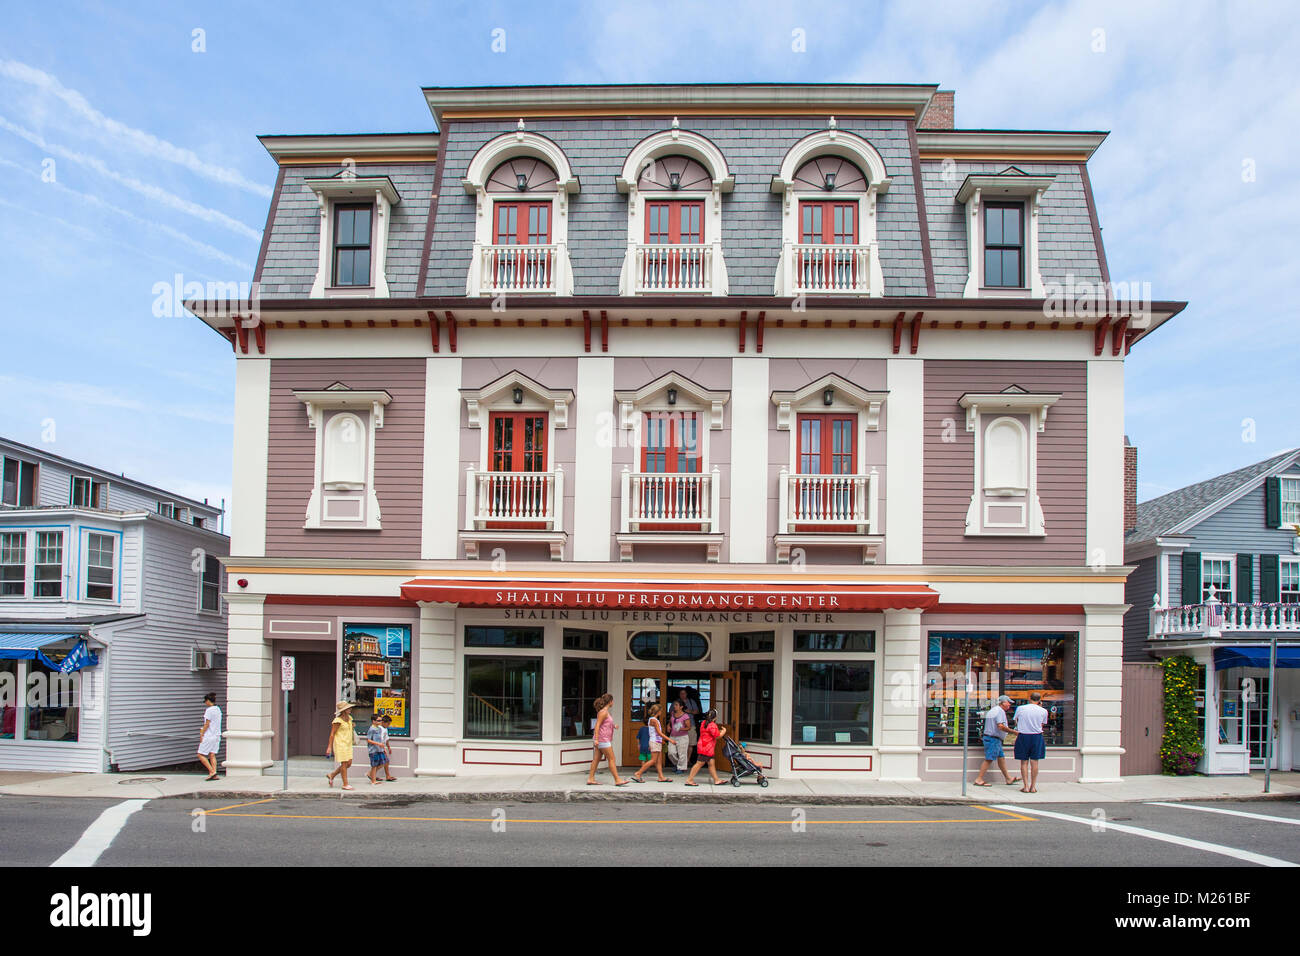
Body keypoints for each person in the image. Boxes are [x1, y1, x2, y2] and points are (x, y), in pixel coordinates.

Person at [973, 695, 1020, 787]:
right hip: (993, 739)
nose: (1009, 704)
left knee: (1001, 758)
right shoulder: (999, 711)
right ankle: (979, 779)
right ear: (1002, 702)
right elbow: (1000, 726)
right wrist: (1014, 732)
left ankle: (1008, 778)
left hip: (994, 739)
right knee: (989, 759)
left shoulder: (994, 710)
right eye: (1008, 702)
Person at [586, 693, 629, 786]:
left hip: (602, 739)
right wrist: (596, 739)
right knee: (612, 759)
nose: (613, 702)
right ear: (610, 702)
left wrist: (614, 726)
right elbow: (597, 725)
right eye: (612, 701)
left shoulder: (605, 712)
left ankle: (591, 778)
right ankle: (617, 780)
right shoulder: (603, 712)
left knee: (596, 759)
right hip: (603, 740)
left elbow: (605, 724)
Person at [1012, 692, 1050, 793]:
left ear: (1029, 698)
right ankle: (1033, 786)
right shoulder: (1043, 711)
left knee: (1024, 762)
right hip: (1036, 736)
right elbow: (1042, 723)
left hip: (1023, 735)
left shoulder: (1021, 708)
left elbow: (1016, 720)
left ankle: (1026, 786)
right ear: (1039, 700)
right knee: (1035, 762)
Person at [632, 704, 674, 783]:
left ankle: (661, 776)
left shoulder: (654, 720)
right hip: (655, 742)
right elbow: (659, 732)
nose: (661, 712)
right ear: (658, 712)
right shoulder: (654, 720)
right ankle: (638, 773)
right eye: (661, 711)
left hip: (657, 742)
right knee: (653, 760)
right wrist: (669, 740)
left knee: (658, 761)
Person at [684, 708, 726, 786]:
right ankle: (689, 779)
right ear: (715, 717)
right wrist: (723, 732)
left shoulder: (703, 723)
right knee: (699, 763)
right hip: (707, 747)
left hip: (703, 745)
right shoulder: (712, 725)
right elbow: (717, 736)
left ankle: (716, 780)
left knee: (711, 763)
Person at [325, 700, 357, 790]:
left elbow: (349, 727)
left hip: (348, 743)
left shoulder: (350, 718)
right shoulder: (337, 721)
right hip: (340, 743)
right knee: (344, 763)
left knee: (349, 763)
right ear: (343, 710)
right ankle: (345, 784)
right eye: (348, 708)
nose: (350, 709)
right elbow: (332, 734)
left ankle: (332, 775)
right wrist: (329, 747)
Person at [197, 693, 222, 781]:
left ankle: (212, 772)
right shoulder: (218, 709)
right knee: (212, 754)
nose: (205, 703)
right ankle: (214, 773)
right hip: (217, 735)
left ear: (208, 701)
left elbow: (207, 724)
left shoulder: (209, 710)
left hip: (209, 735)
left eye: (205, 702)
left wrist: (202, 733)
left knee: (200, 754)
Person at [667, 700, 692, 773]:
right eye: (674, 705)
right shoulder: (672, 713)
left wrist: (681, 729)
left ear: (681, 707)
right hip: (672, 736)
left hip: (682, 737)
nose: (674, 706)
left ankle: (681, 768)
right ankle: (677, 764)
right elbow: (670, 722)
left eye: (676, 705)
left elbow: (689, 727)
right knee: (671, 753)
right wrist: (668, 726)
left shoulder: (685, 716)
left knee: (682, 753)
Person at [365, 713, 386, 785]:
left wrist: (382, 746)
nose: (380, 722)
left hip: (379, 749)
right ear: (373, 721)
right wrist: (378, 744)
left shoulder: (379, 729)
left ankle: (370, 774)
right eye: (378, 720)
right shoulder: (371, 729)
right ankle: (373, 780)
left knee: (382, 763)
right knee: (374, 765)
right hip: (373, 750)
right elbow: (368, 740)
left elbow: (380, 739)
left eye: (381, 720)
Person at [380, 714, 397, 781]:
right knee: (384, 762)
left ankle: (387, 775)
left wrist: (388, 747)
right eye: (388, 723)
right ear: (383, 722)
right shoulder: (380, 729)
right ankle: (371, 774)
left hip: (383, 747)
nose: (388, 725)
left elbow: (386, 739)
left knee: (384, 762)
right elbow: (380, 739)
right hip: (380, 747)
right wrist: (383, 748)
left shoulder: (385, 729)